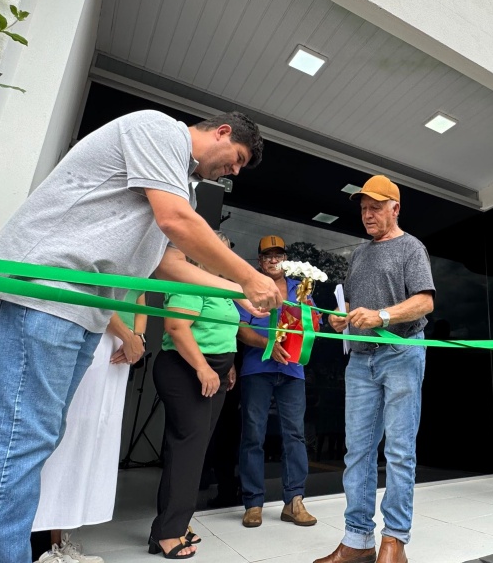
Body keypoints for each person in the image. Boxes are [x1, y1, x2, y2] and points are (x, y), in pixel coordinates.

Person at [0, 110, 281, 563]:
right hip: (46, 297)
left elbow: (165, 265)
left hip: (76, 310)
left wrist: (236, 292)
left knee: (29, 443)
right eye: (238, 158)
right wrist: (248, 276)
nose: (235, 171)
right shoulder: (158, 130)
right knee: (20, 444)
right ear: (221, 132)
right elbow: (177, 223)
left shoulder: (174, 181)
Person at [322, 175, 435, 563]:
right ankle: (357, 540)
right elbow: (353, 304)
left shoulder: (411, 248)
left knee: (400, 451)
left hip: (401, 354)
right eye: (363, 208)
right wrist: (342, 319)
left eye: (375, 207)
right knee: (358, 451)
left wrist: (383, 315)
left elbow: (424, 302)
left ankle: (395, 541)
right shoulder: (358, 253)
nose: (367, 215)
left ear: (395, 208)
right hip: (360, 359)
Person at [31, 292, 147, 563]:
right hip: (94, 332)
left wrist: (138, 338)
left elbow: (140, 295)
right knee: (68, 436)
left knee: (92, 440)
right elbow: (97, 293)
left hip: (124, 345)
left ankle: (55, 543)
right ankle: (39, 548)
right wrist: (128, 336)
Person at [149, 232, 240, 559]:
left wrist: (226, 366)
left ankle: (173, 524)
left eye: (225, 251)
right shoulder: (192, 283)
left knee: (194, 448)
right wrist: (204, 368)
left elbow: (222, 331)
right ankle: (168, 533)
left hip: (211, 372)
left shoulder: (221, 287)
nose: (222, 256)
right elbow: (177, 327)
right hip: (186, 371)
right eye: (216, 250)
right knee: (187, 448)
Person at [236, 235, 317, 529]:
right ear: (259, 260)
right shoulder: (250, 286)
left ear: (285, 258)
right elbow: (242, 330)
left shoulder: (301, 287)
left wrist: (309, 315)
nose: (273, 259)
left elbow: (313, 324)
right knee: (253, 434)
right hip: (257, 367)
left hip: (293, 369)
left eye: (278, 254)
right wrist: (269, 343)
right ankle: (253, 503)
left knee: (295, 434)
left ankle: (294, 501)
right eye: (268, 255)